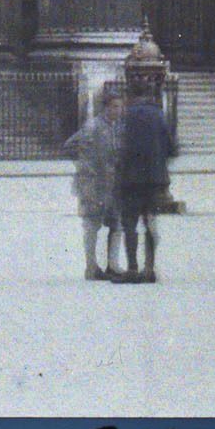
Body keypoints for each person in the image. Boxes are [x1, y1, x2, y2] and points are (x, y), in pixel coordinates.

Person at [113, 77, 174, 284]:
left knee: (129, 223)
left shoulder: (126, 116)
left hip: (130, 178)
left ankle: (132, 268)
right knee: (150, 221)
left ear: (130, 94)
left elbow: (119, 145)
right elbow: (171, 147)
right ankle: (149, 268)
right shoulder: (159, 115)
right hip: (154, 179)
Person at [62, 85, 123, 281]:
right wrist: (86, 166)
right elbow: (70, 145)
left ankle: (113, 265)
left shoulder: (119, 128)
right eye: (114, 107)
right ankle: (91, 266)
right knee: (92, 224)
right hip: (94, 184)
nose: (118, 110)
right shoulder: (93, 126)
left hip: (113, 184)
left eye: (119, 107)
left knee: (117, 223)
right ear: (105, 108)